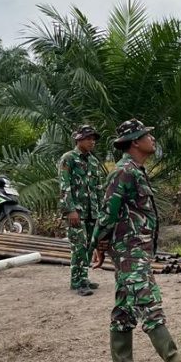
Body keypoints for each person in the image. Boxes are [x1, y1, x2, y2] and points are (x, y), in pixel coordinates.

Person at [93, 119, 181, 362]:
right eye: (147, 136)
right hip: (129, 248)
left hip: (136, 246)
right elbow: (107, 213)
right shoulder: (123, 172)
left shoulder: (136, 170)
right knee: (146, 296)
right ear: (135, 142)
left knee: (125, 304)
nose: (152, 139)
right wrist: (98, 243)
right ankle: (173, 358)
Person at [58, 124, 104, 296]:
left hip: (92, 212)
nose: (92, 142)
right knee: (78, 246)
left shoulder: (92, 160)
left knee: (89, 246)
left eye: (93, 139)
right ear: (78, 139)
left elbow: (98, 187)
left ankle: (83, 278)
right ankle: (77, 282)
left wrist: (101, 212)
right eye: (88, 138)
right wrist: (70, 210)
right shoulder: (68, 158)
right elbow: (64, 185)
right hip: (76, 212)